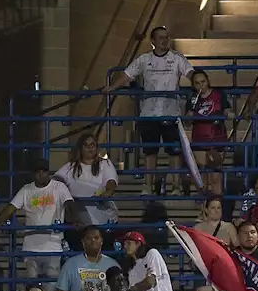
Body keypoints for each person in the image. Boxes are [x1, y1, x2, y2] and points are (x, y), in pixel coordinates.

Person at [101, 26, 193, 195]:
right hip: (148, 113)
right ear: (153, 41)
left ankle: (176, 187)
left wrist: (200, 85)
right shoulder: (144, 59)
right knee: (150, 152)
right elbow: (127, 75)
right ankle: (147, 186)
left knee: (174, 152)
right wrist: (112, 87)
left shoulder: (177, 58)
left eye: (167, 37)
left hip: (171, 112)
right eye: (161, 38)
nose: (165, 40)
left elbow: (191, 74)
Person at [0, 161, 78, 291]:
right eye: (38, 172)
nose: (41, 174)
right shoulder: (26, 190)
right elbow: (11, 208)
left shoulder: (59, 187)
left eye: (44, 171)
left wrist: (76, 219)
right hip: (30, 246)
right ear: (33, 174)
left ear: (48, 172)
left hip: (53, 245)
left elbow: (69, 204)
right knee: (33, 285)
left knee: (52, 283)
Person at [55, 133, 118, 229]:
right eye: (86, 145)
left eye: (93, 145)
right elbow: (57, 180)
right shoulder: (70, 166)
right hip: (79, 217)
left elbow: (111, 181)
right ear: (81, 148)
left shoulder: (105, 163)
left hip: (103, 217)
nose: (90, 148)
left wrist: (108, 191)